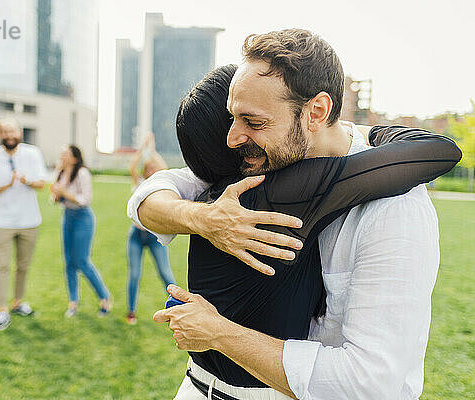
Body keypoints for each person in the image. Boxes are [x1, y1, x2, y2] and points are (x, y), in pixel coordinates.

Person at [129, 29, 460, 399]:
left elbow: (369, 384)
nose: (232, 138)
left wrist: (219, 332)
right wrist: (204, 219)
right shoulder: (250, 170)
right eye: (230, 119)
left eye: (252, 122)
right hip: (196, 387)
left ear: (316, 112)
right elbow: (151, 196)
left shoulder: (391, 205)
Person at [0, 118, 47, 331]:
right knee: (1, 267)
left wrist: (26, 181)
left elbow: (41, 184)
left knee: (23, 266)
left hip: (29, 221)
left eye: (12, 131)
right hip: (2, 221)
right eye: (4, 132)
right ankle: (2, 310)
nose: (9, 135)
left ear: (20, 132)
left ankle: (18, 302)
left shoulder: (32, 153)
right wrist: (7, 184)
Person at [50, 145, 111, 317]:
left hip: (83, 218)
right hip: (67, 216)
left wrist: (65, 193)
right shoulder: (60, 172)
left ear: (75, 158)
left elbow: (85, 199)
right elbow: (54, 198)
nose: (62, 156)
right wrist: (57, 192)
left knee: (82, 261)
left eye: (65, 154)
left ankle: (104, 297)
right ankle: (73, 303)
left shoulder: (82, 173)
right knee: (69, 262)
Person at [126, 132, 176, 325]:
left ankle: (178, 308)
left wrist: (152, 150)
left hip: (156, 237)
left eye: (156, 166)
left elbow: (163, 166)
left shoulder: (162, 186)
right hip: (136, 236)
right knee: (134, 274)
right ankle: (131, 312)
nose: (153, 168)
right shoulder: (140, 183)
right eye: (149, 166)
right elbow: (132, 166)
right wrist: (143, 149)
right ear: (146, 170)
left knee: (165, 273)